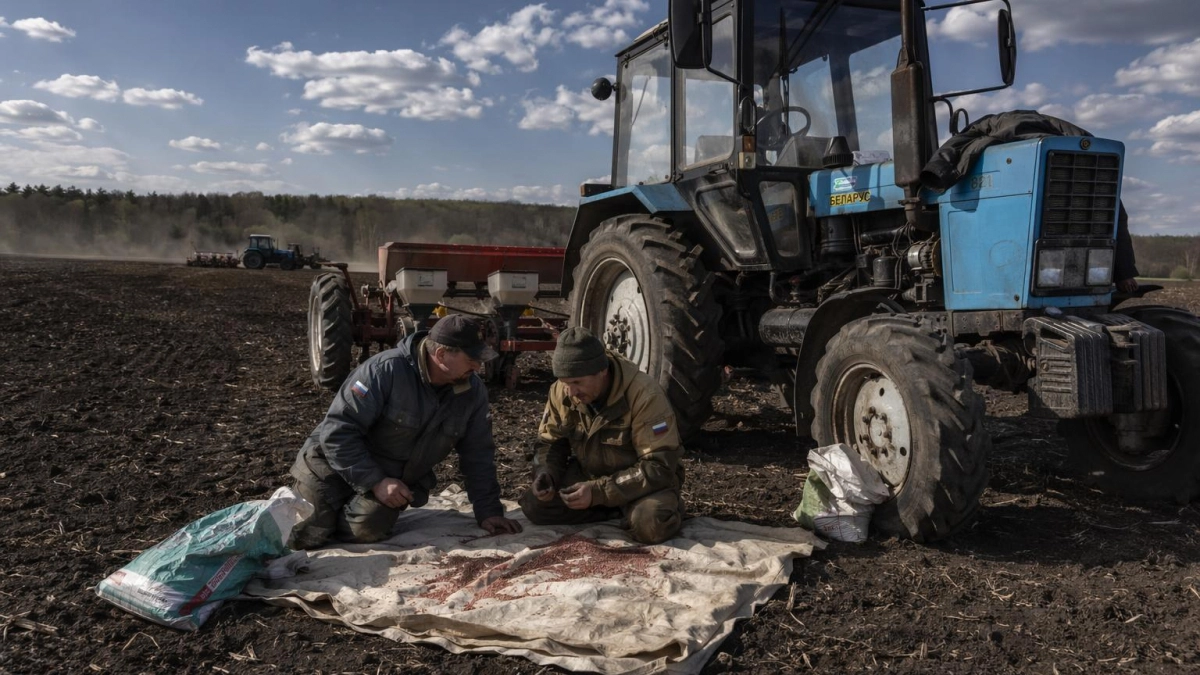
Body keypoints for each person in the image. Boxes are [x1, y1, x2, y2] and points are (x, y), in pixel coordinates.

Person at [290, 314, 522, 549]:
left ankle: (339, 516)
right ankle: (322, 511)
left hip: (388, 477)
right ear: (441, 355)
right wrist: (375, 481)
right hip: (330, 466)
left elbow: (478, 454)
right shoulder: (384, 371)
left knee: (368, 528)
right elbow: (338, 432)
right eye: (472, 359)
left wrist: (489, 511)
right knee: (306, 532)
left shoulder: (472, 392)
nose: (477, 366)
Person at [520, 327, 685, 544]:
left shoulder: (644, 395)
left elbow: (659, 466)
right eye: (565, 382)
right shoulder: (562, 391)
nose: (571, 392)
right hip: (590, 475)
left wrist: (598, 492)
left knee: (650, 523)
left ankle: (653, 507)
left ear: (602, 371)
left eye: (577, 382)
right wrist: (546, 473)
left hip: (640, 485)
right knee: (534, 505)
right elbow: (550, 442)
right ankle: (614, 511)